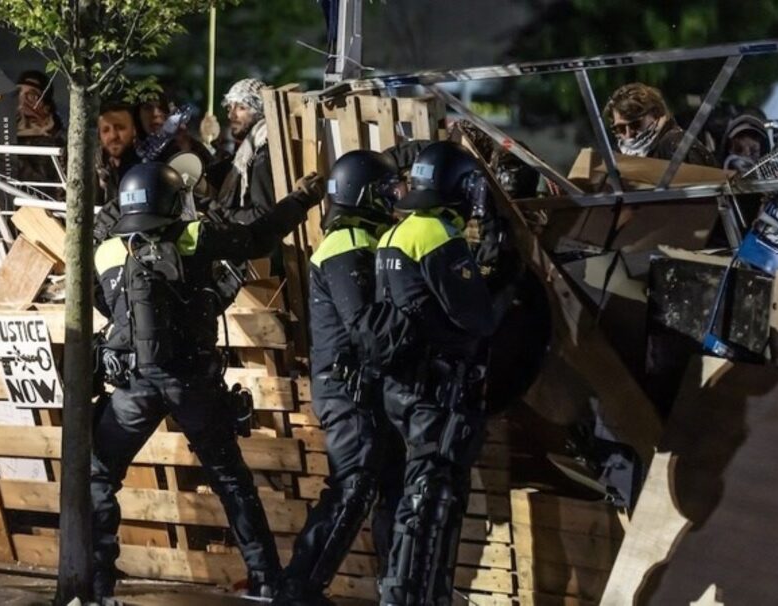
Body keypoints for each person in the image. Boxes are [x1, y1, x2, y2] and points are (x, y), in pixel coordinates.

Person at [90, 162, 325, 601]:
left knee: (100, 476)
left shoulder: (105, 251)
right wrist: (301, 199)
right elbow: (257, 237)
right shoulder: (193, 237)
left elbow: (105, 306)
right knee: (230, 480)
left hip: (133, 384)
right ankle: (266, 580)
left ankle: (98, 584)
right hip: (193, 381)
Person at [372, 141, 502, 606]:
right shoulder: (438, 237)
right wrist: (491, 259)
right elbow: (478, 318)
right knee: (431, 502)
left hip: (403, 388)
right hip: (436, 392)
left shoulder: (398, 233)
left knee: (412, 497)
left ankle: (406, 593)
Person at [278, 150, 406, 604]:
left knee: (393, 484)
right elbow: (364, 324)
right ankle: (299, 588)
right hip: (347, 389)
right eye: (387, 191)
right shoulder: (346, 243)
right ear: (363, 195)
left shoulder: (363, 239)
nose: (394, 198)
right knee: (353, 487)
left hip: (366, 387)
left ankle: (396, 587)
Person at [213, 77, 279, 224]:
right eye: (230, 108)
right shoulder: (248, 149)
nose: (231, 115)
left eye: (241, 108)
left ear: (259, 111)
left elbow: (263, 213)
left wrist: (223, 215)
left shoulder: (263, 151)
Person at [604, 82, 717, 167]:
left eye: (635, 124)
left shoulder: (677, 145)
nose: (628, 134)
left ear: (655, 114)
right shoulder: (618, 156)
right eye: (620, 128)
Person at [93, 101, 141, 243]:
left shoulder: (144, 167)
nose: (113, 136)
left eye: (120, 128)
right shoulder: (91, 168)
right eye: (106, 130)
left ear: (134, 130)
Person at [13, 70, 65, 189]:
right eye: (17, 94)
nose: (22, 102)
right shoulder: (3, 135)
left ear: (46, 107)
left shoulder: (59, 141)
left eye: (31, 96)